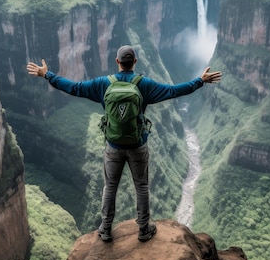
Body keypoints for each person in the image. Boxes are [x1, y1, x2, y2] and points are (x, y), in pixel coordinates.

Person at [27, 45, 221, 242]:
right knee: (142, 186)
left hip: (113, 146)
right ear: (135, 62)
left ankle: (105, 229)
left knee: (110, 186)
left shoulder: (103, 83)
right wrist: (200, 81)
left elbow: (74, 88)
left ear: (117, 61)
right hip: (138, 145)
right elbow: (173, 91)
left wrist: (47, 75)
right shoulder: (143, 85)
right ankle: (144, 229)